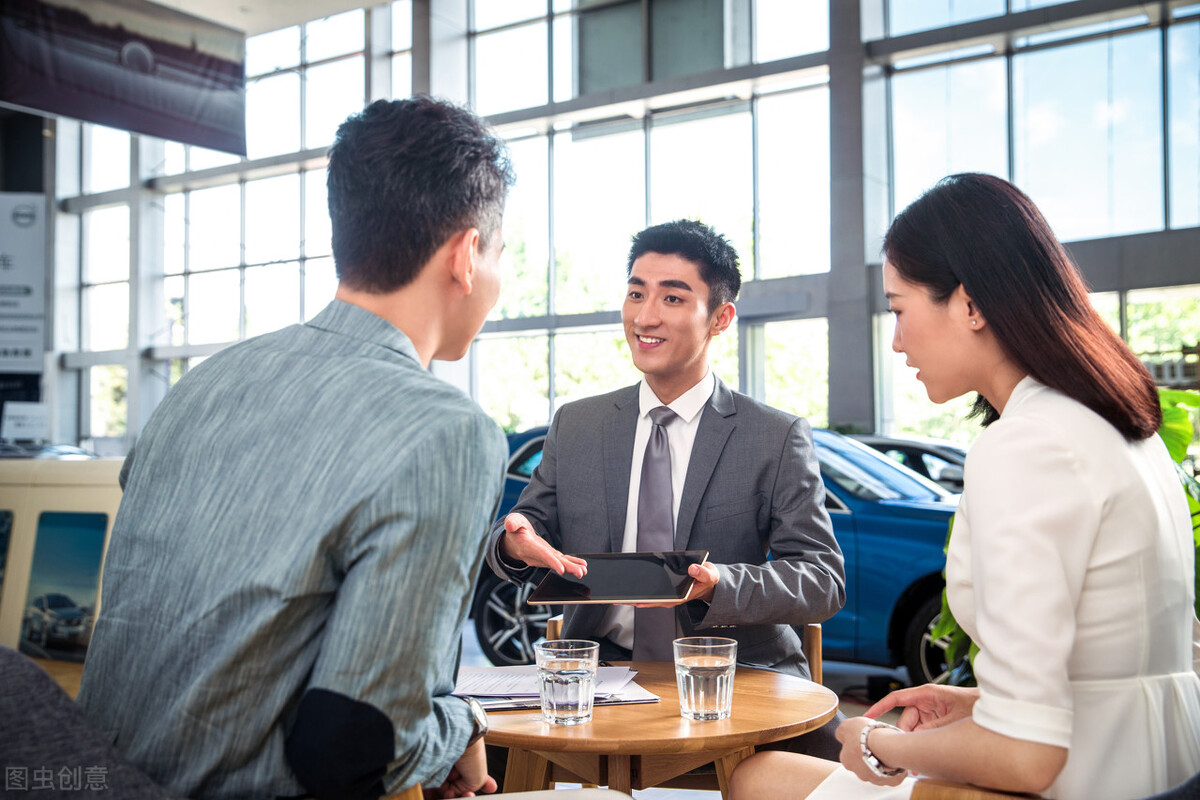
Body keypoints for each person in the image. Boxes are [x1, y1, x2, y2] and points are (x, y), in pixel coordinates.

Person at [76, 96, 513, 799]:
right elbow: (353, 750)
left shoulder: (203, 387)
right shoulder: (446, 431)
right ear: (465, 256)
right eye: (499, 253)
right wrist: (462, 725)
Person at [730, 173, 1200, 800]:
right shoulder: (1120, 425)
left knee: (759, 776)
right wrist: (982, 701)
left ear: (971, 303)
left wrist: (880, 742)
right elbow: (1126, 666)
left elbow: (1028, 757)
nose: (895, 342)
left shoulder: (1024, 445)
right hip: (1158, 763)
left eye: (899, 310)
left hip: (1076, 782)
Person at [485, 218, 847, 756]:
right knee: (473, 755)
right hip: (597, 675)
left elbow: (822, 579)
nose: (645, 316)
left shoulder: (774, 436)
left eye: (673, 298)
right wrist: (515, 540)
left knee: (827, 770)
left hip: (735, 674)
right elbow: (524, 529)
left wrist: (721, 583)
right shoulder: (577, 424)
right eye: (636, 293)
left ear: (720, 318)